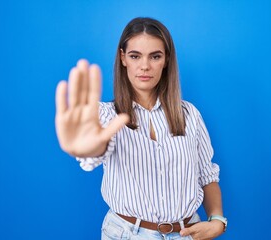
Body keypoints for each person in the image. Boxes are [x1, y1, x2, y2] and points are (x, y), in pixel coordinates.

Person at [55, 17, 227, 240]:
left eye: (155, 56)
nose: (145, 66)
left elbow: (206, 174)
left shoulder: (189, 114)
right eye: (135, 56)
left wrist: (217, 220)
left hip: (187, 233)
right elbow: (97, 147)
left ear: (166, 60)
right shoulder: (106, 115)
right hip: (127, 234)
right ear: (123, 57)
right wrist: (85, 148)